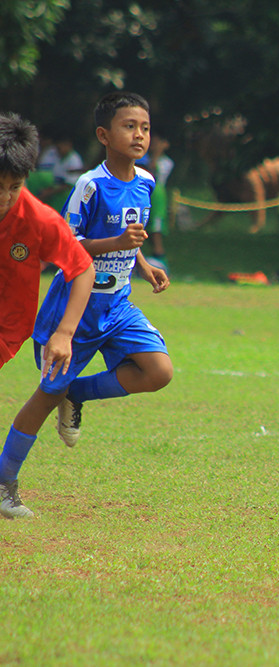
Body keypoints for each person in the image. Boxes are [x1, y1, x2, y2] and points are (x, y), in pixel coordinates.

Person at [0, 92, 172, 520]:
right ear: (103, 135)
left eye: (145, 127)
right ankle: (5, 481)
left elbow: (131, 237)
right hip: (74, 311)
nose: (139, 135)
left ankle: (75, 392)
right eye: (129, 126)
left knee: (158, 372)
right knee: (44, 397)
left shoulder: (147, 181)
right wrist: (116, 244)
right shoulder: (89, 185)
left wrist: (143, 264)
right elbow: (70, 246)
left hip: (117, 306)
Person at [0, 112, 96, 518]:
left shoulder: (38, 219)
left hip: (6, 326)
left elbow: (82, 268)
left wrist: (65, 332)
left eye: (14, 187)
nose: (5, 198)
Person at [136, 132, 173, 272]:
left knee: (156, 229)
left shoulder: (166, 162)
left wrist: (157, 153)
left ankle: (161, 260)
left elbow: (153, 173)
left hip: (157, 195)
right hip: (144, 194)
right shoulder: (144, 157)